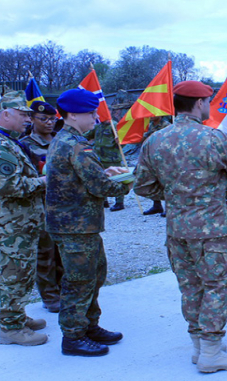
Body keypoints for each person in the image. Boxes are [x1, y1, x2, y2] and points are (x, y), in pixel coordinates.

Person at [134, 80, 227, 373]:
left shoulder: (155, 141)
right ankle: (212, 352)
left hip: (176, 230)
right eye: (208, 101)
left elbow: (143, 187)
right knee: (217, 286)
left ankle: (199, 346)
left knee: (190, 286)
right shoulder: (215, 138)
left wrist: (176, 192)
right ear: (199, 104)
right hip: (212, 231)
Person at [46, 89, 131, 357]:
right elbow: (99, 186)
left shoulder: (66, 140)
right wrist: (131, 178)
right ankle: (73, 337)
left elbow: (82, 177)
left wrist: (105, 172)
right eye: (90, 113)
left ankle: (89, 326)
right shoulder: (76, 144)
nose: (95, 117)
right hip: (75, 226)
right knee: (79, 280)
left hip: (77, 224)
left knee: (94, 274)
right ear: (72, 114)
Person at [0, 91, 48, 346]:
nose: (27, 119)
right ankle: (10, 328)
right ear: (6, 114)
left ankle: (18, 314)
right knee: (13, 274)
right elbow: (9, 186)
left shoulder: (7, 141)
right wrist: (42, 182)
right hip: (9, 224)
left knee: (23, 272)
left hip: (18, 222)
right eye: (23, 114)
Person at [20, 101, 63, 313]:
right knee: (45, 252)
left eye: (52, 119)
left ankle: (64, 289)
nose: (48, 122)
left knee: (63, 250)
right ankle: (50, 295)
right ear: (32, 120)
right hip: (41, 203)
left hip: (64, 203)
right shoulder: (24, 144)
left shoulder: (59, 141)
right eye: (43, 119)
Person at [87, 119, 127, 211]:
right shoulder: (98, 126)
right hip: (99, 158)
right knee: (102, 178)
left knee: (118, 179)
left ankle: (119, 202)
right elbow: (87, 136)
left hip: (112, 157)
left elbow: (122, 141)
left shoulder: (114, 126)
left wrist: (119, 141)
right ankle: (104, 200)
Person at [141, 115, 170, 216]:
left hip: (164, 156)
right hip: (152, 155)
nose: (151, 116)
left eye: (154, 114)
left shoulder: (166, 125)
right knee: (154, 180)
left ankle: (168, 207)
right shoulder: (150, 126)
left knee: (166, 181)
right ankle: (157, 205)